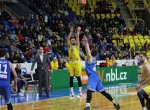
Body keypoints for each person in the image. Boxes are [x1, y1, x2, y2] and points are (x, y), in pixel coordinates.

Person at [82, 36, 120, 110]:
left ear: (91, 52)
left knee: (89, 90)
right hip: (96, 77)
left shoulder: (90, 59)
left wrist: (86, 42)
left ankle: (88, 106)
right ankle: (114, 102)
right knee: (103, 92)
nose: (89, 51)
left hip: (92, 76)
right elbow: (88, 52)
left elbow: (87, 51)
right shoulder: (93, 59)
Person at [67, 26, 82, 99]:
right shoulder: (69, 46)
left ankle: (80, 92)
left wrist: (78, 32)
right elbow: (67, 39)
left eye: (73, 40)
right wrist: (70, 32)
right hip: (71, 63)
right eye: (71, 40)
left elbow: (78, 38)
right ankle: (71, 92)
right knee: (71, 78)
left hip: (77, 63)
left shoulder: (77, 45)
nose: (73, 41)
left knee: (79, 78)